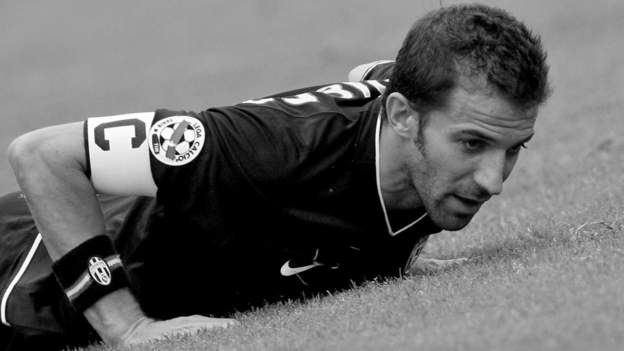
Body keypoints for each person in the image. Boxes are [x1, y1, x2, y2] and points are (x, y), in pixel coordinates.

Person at [0, 4, 550, 350]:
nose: (493, 181)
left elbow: (372, 76)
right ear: (404, 117)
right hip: (26, 285)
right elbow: (42, 156)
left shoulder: (411, 124)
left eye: (513, 149)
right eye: (472, 144)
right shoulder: (253, 147)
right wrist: (127, 329)